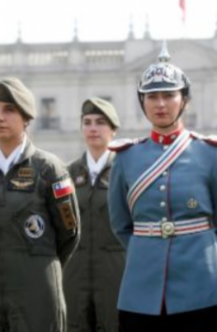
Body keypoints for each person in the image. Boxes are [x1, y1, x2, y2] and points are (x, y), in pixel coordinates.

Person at [108, 44, 217, 331]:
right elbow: (121, 225)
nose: (160, 104)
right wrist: (147, 255)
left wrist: (210, 261)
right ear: (142, 102)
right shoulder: (126, 158)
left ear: (184, 100)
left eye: (169, 95)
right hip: (142, 290)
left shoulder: (211, 154)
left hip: (203, 288)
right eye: (152, 96)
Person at [0, 77, 81, 332]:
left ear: (26, 118)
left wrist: (36, 261)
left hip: (35, 285)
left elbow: (69, 232)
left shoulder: (49, 169)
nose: (0, 117)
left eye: (9, 109)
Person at [64, 98, 125, 332]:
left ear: (113, 130)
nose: (92, 128)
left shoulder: (125, 171)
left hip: (115, 272)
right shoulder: (67, 173)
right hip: (75, 273)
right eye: (87, 122)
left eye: (100, 123)